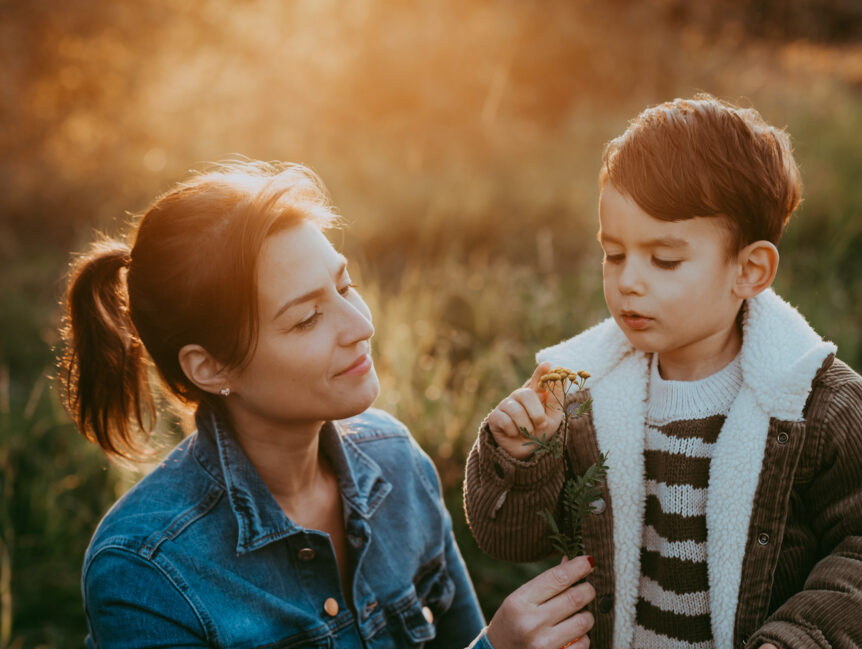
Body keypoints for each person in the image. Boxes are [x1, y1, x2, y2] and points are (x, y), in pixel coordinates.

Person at [463, 96, 862, 649]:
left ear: (749, 270)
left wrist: (803, 639)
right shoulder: (579, 392)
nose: (628, 282)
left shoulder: (813, 401)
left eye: (664, 260)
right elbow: (508, 538)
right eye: (614, 254)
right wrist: (520, 461)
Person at [59, 160, 596, 649]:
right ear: (210, 368)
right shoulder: (145, 572)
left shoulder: (398, 464)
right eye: (306, 318)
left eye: (345, 285)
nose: (361, 326)